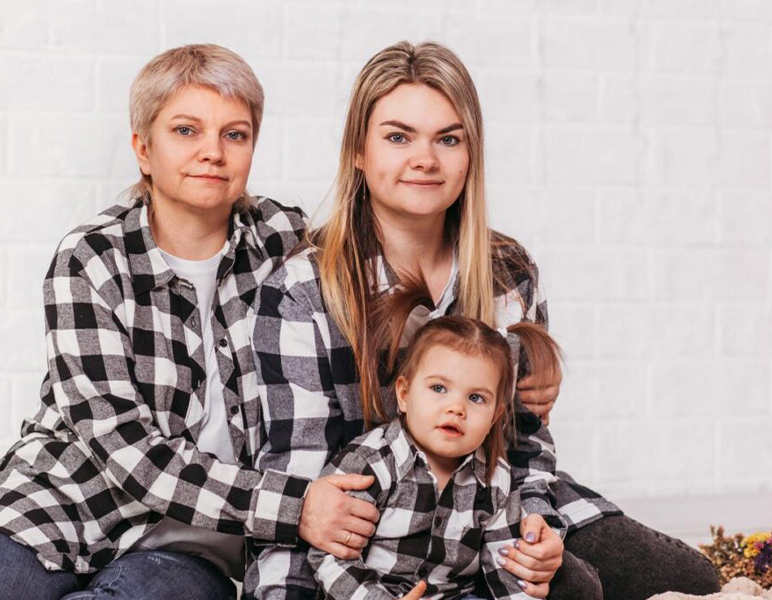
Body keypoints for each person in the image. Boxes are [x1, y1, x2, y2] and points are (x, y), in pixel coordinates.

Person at [249, 40, 721, 600]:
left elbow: (526, 442)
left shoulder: (506, 272)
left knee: (685, 580)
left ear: (470, 153)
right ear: (358, 150)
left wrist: (538, 524)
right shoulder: (304, 287)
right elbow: (307, 475)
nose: (425, 160)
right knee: (576, 590)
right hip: (371, 530)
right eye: (398, 137)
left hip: (492, 503)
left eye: (448, 139)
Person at [0, 44, 377, 600]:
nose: (213, 152)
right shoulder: (90, 259)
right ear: (143, 149)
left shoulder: (284, 240)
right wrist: (295, 506)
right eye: (186, 131)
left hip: (187, 544)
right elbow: (128, 452)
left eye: (235, 134)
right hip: (58, 504)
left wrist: (504, 354)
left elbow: (389, 286)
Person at [308, 304, 565, 600]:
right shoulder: (371, 462)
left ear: (495, 417)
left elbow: (506, 565)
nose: (456, 408)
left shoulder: (496, 479)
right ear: (404, 395)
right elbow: (329, 557)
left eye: (476, 397)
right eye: (439, 388)